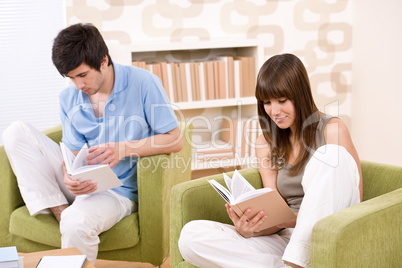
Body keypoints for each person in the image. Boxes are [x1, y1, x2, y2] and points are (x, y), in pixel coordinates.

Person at [2, 23, 182, 264]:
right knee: (15, 132)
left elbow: (175, 139)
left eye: (82, 75)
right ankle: (61, 212)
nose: (78, 85)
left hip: (116, 192)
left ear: (104, 61)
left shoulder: (144, 83)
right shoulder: (69, 97)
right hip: (83, 184)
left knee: (76, 223)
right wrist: (69, 176)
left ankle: (72, 219)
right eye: (71, 78)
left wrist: (124, 149)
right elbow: (72, 154)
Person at [178, 53, 362, 268]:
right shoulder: (265, 143)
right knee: (191, 236)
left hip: (325, 235)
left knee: (331, 155)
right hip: (287, 237)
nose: (274, 111)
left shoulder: (332, 130)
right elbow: (275, 211)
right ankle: (291, 263)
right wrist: (250, 227)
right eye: (267, 102)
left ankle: (297, 260)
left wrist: (290, 222)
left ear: (300, 95)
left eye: (282, 101)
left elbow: (353, 198)